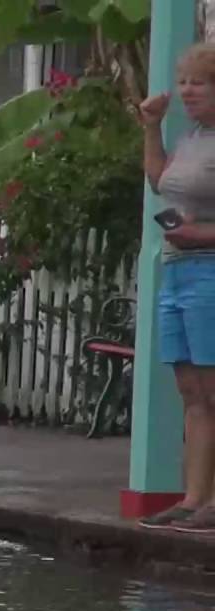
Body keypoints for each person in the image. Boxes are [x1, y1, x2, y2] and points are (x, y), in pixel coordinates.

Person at [139, 43, 215, 532]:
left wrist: (199, 236)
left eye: (199, 82)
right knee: (190, 390)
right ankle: (193, 500)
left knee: (213, 388)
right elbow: (158, 181)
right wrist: (150, 127)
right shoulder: (192, 138)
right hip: (177, 271)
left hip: (210, 272)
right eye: (183, 80)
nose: (187, 90)